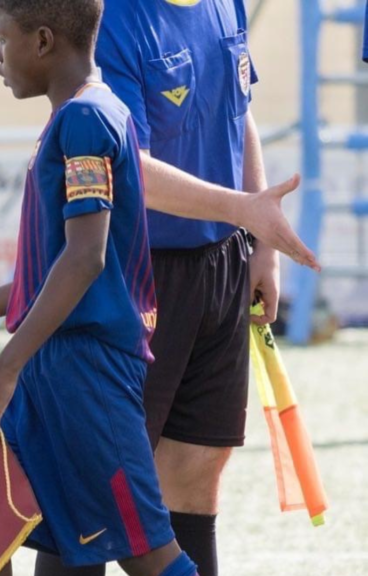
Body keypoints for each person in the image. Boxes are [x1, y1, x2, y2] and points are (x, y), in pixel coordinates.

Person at [0, 1, 196, 573]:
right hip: (54, 366)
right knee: (25, 539)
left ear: (41, 41)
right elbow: (55, 267)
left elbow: (85, 259)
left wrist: (3, 369)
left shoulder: (86, 119)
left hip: (87, 373)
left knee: (146, 554)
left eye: (1, 37)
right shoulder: (75, 116)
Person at [30, 2, 273, 574]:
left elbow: (239, 110)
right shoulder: (113, 18)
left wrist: (260, 238)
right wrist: (245, 209)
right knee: (92, 487)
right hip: (138, 276)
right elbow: (129, 167)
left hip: (222, 264)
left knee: (196, 472)